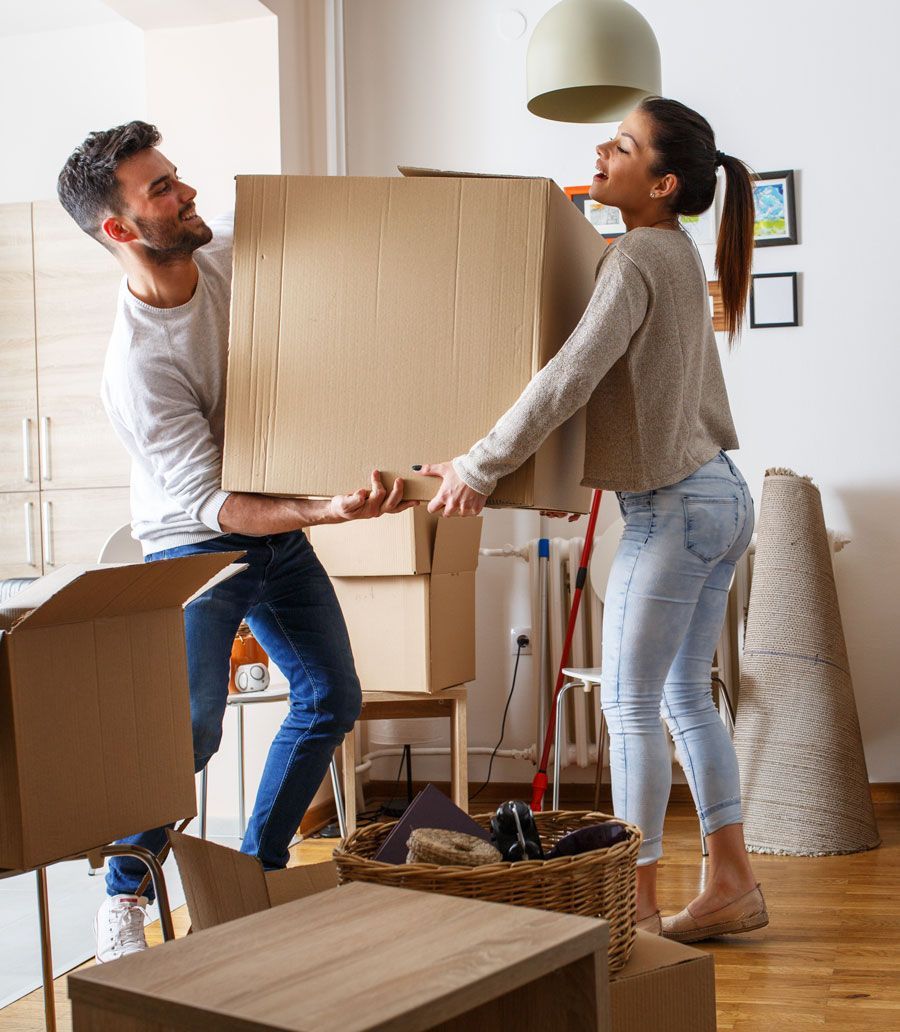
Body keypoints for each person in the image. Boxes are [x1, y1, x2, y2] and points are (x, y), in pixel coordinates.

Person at [56, 121, 413, 962]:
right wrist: (327, 511)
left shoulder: (223, 260)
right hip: (197, 547)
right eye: (161, 191)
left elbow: (327, 252)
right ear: (119, 229)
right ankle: (123, 896)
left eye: (177, 178)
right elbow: (218, 505)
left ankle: (253, 875)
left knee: (331, 696)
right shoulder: (137, 368)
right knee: (189, 731)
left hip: (277, 532)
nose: (185, 195)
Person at [419, 96, 767, 942]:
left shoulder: (636, 256)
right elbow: (627, 399)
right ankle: (732, 885)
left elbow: (568, 377)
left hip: (676, 511)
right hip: (720, 497)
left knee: (632, 708)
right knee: (684, 695)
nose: (601, 153)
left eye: (622, 145)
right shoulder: (674, 253)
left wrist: (479, 465)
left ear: (664, 181)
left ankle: (636, 910)